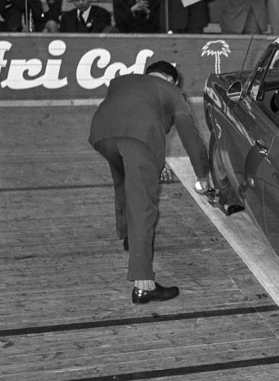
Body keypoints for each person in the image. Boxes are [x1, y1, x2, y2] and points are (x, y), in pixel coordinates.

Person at [89, 60, 210, 304]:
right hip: (139, 140)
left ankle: (128, 237)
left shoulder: (122, 81)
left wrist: (155, 161)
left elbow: (129, 112)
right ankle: (143, 284)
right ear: (173, 81)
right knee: (142, 207)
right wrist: (202, 174)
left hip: (102, 135)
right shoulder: (173, 92)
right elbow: (191, 138)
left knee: (123, 182)